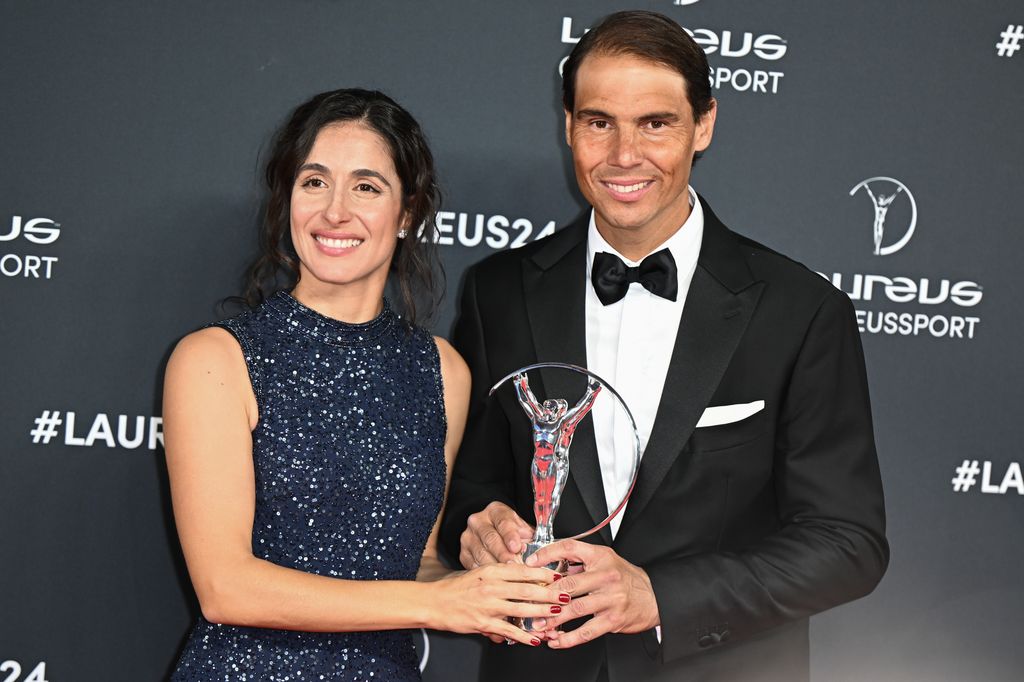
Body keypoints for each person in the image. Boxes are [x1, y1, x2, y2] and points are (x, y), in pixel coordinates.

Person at [439, 11, 889, 682]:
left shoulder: (799, 310)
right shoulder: (498, 291)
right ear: (568, 127)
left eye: (656, 123)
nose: (624, 155)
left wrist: (658, 597)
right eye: (598, 122)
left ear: (703, 124)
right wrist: (477, 531)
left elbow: (848, 543)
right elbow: (469, 494)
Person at [164, 88, 563, 682]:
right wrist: (438, 603)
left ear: (408, 213)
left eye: (367, 187)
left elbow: (419, 562)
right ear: (288, 196)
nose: (334, 212)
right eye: (314, 182)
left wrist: (488, 589)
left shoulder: (443, 370)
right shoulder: (216, 359)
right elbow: (226, 589)